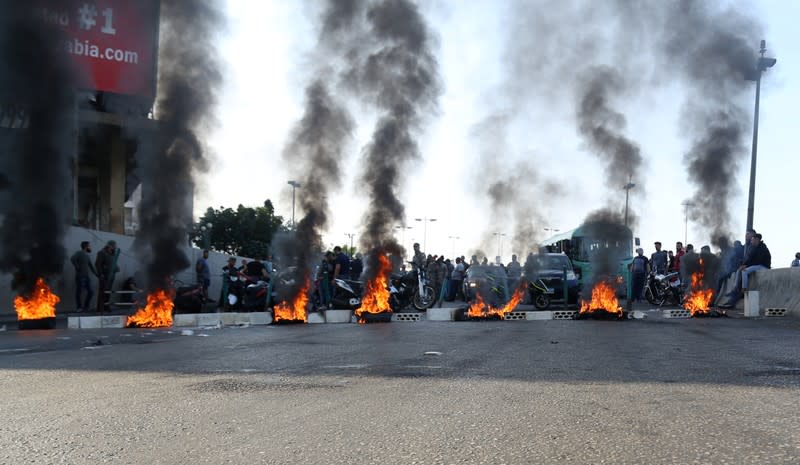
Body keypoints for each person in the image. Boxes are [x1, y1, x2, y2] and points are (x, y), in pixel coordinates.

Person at [70, 241, 97, 312]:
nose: (90, 247)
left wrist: (97, 275)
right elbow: (72, 259)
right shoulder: (79, 253)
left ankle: (86, 307)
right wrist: (77, 267)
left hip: (86, 277)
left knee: (91, 292)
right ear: (85, 246)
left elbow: (91, 266)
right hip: (80, 276)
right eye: (89, 246)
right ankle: (79, 307)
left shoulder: (87, 256)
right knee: (79, 292)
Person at [95, 240, 119, 313]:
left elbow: (112, 263)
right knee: (103, 292)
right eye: (114, 245)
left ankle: (106, 306)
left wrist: (116, 268)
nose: (115, 247)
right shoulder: (102, 253)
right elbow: (97, 264)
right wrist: (101, 274)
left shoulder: (112, 254)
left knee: (108, 292)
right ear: (110, 246)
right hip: (104, 276)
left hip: (111, 276)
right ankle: (100, 308)